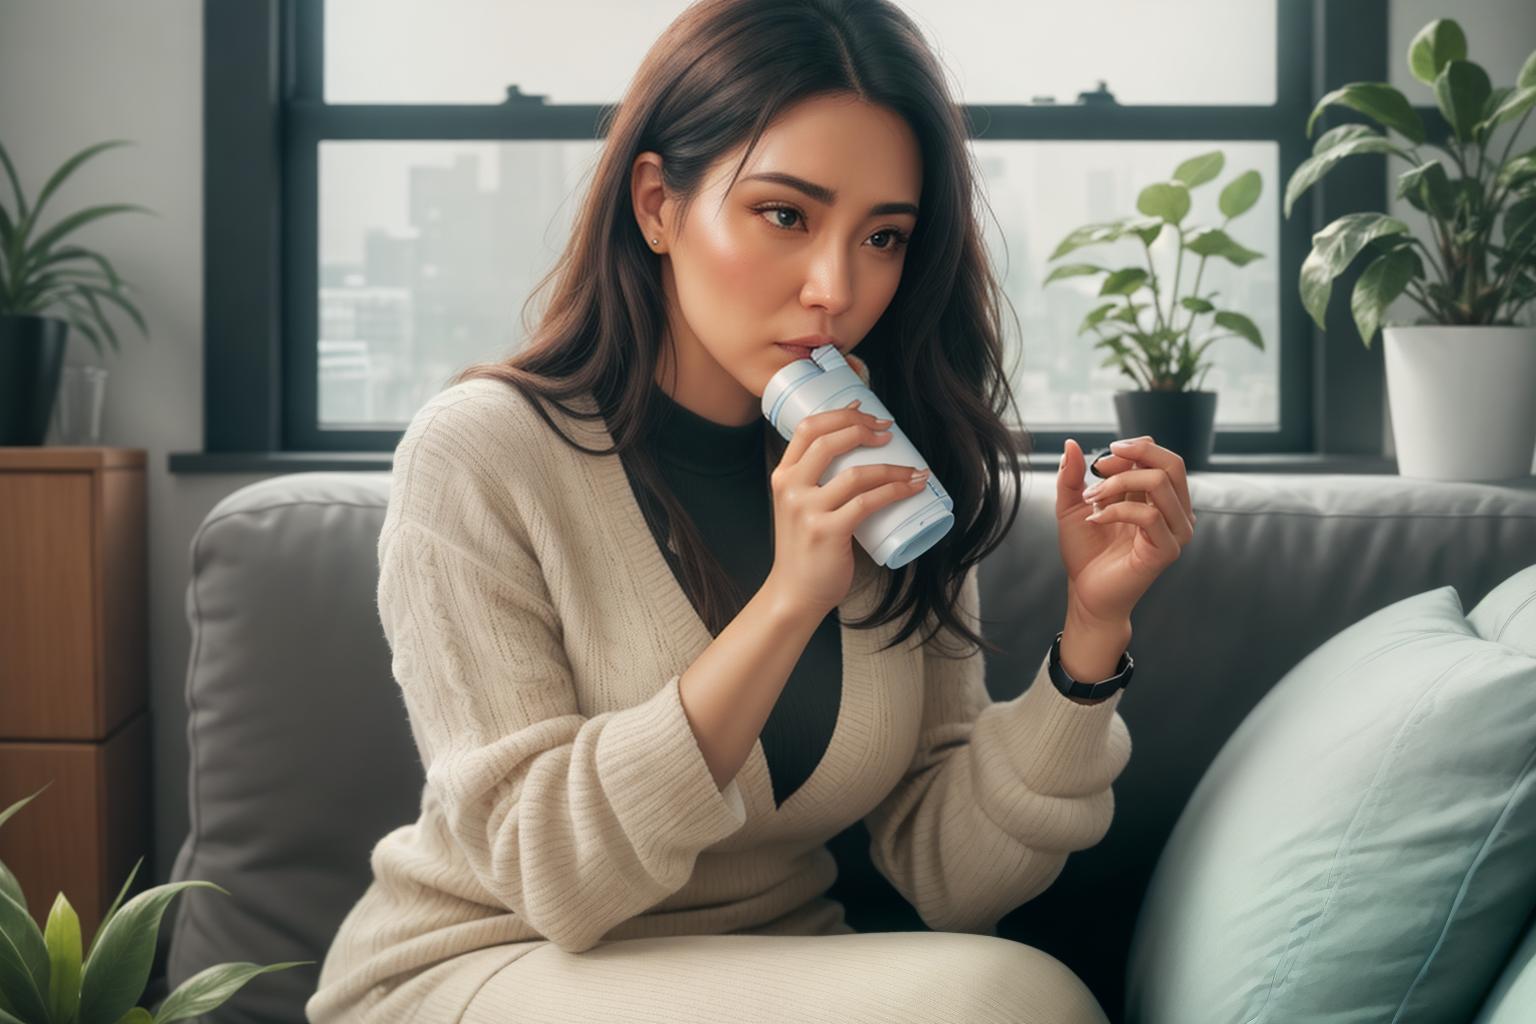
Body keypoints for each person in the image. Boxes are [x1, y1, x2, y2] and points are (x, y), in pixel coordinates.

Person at [305, 1, 1196, 1021]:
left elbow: (956, 875)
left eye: (885, 236)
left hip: (779, 972)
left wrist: (1092, 632)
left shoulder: (884, 467)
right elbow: (553, 877)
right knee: (1010, 1002)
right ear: (658, 204)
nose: (836, 286)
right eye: (786, 213)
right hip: (489, 964)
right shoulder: (480, 455)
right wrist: (786, 604)